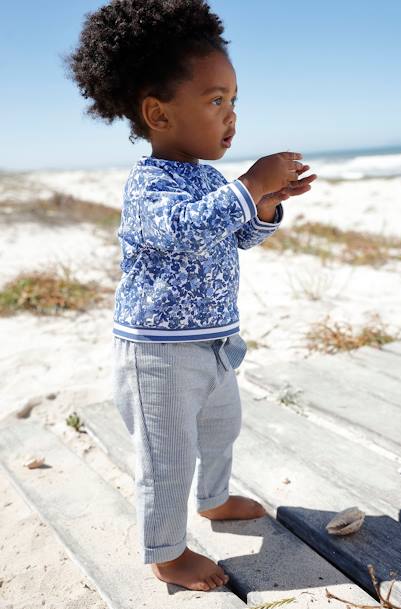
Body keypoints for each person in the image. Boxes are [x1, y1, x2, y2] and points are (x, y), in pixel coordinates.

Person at [65, 0, 317, 593]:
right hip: (157, 357)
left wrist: (266, 204)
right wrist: (249, 182)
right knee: (166, 458)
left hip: (214, 345)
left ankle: (214, 498)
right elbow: (182, 232)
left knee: (221, 428)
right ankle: (167, 553)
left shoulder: (207, 179)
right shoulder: (147, 184)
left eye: (233, 102)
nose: (231, 117)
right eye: (214, 101)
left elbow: (238, 236)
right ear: (157, 113)